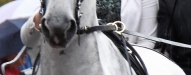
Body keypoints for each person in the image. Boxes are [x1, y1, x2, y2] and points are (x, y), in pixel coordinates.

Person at [21, 1, 158, 49]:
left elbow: (146, 43)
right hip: (70, 69)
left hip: (125, 72)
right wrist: (43, 12)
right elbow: (28, 40)